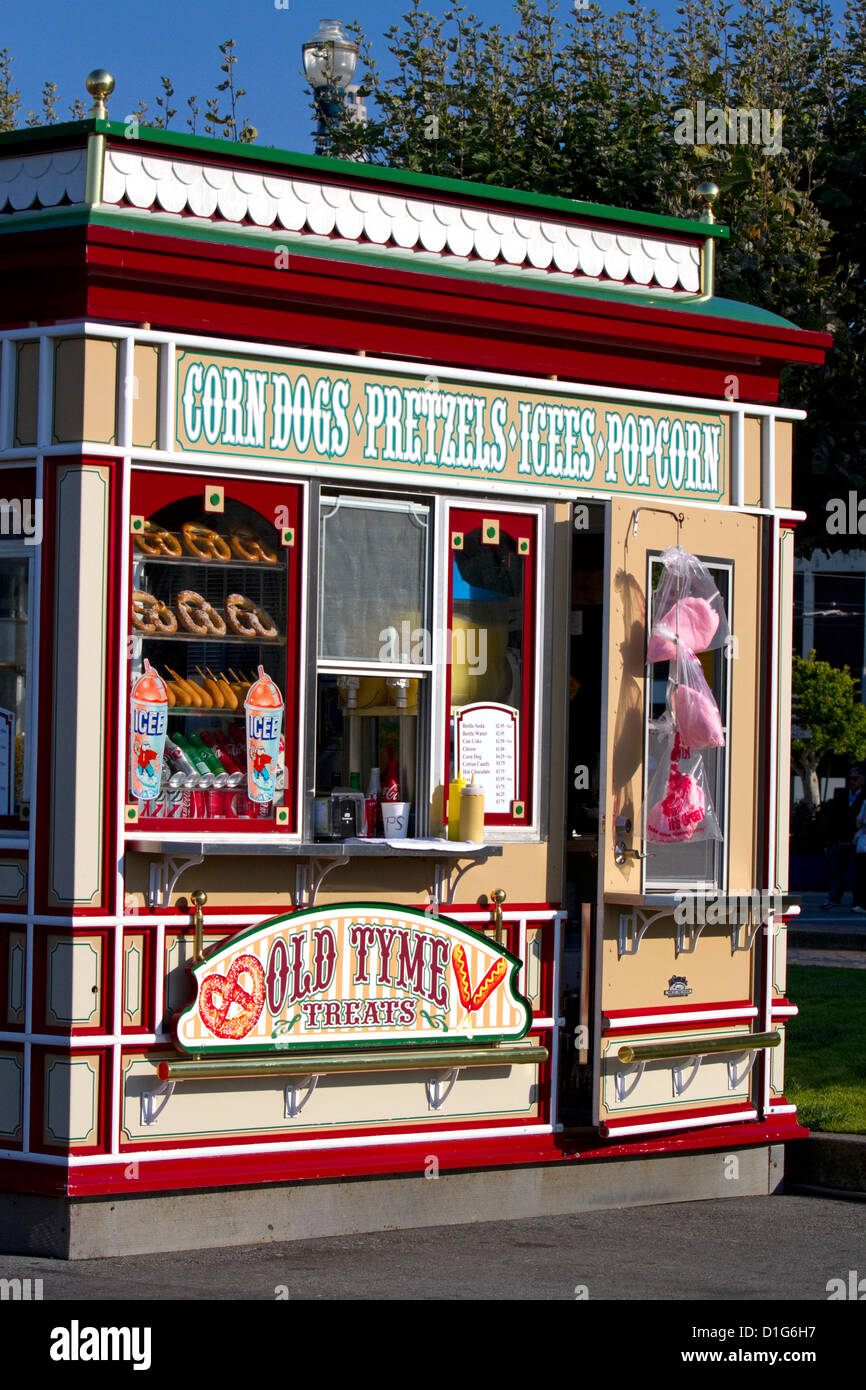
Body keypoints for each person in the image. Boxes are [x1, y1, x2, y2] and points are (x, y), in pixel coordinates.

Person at [823, 765, 866, 909]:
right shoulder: (841, 795)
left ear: (862, 780)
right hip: (841, 839)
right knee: (837, 871)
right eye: (850, 778)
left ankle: (857, 901)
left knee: (857, 873)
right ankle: (834, 898)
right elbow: (833, 818)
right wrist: (830, 840)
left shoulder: (864, 797)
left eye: (855, 779)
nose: (852, 782)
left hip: (856, 839)